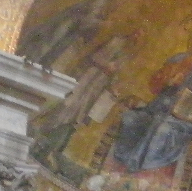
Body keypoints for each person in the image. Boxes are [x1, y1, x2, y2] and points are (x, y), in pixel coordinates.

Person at [112, 28, 192, 175]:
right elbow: (154, 83)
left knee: (161, 127)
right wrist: (169, 82)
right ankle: (122, 159)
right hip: (158, 107)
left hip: (180, 117)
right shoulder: (179, 59)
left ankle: (137, 164)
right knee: (130, 118)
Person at [31, 29, 141, 168]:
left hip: (97, 86)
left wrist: (114, 86)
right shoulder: (116, 42)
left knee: (77, 118)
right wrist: (106, 66)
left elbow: (116, 76)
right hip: (88, 78)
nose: (135, 39)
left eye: (138, 38)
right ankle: (39, 143)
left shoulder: (127, 56)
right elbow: (95, 57)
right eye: (136, 34)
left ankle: (49, 150)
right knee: (66, 108)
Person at [17, 0, 132, 68]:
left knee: (57, 52)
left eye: (122, 4)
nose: (119, 5)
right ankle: (28, 62)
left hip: (73, 32)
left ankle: (37, 67)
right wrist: (101, 23)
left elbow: (88, 30)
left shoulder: (106, 13)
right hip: (68, 22)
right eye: (120, 1)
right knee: (48, 43)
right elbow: (85, 21)